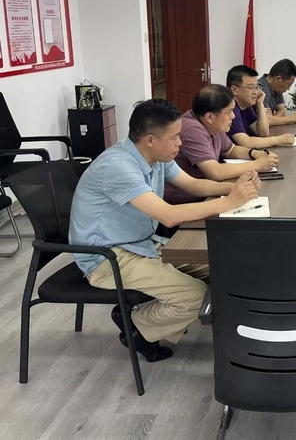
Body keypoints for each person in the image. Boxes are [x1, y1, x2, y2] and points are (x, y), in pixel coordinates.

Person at [69, 99, 260, 362]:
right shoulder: (117, 167)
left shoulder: (157, 156)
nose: (180, 143)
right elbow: (168, 216)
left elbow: (193, 185)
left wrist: (235, 188)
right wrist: (230, 202)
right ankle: (135, 324)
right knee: (194, 297)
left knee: (222, 268)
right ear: (150, 140)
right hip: (107, 258)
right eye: (174, 137)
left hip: (140, 244)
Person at [164, 85, 279, 205]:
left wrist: (254, 153)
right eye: (230, 111)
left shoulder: (214, 124)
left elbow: (231, 150)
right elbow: (215, 172)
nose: (233, 116)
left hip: (208, 191)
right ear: (210, 117)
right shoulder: (192, 129)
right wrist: (257, 165)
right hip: (187, 201)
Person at [226, 65, 296, 148]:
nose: (256, 92)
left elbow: (263, 133)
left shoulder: (246, 105)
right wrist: (279, 140)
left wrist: (260, 104)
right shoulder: (230, 108)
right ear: (234, 90)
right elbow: (246, 142)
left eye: (256, 87)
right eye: (251, 87)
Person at [258, 58, 296, 126]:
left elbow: (281, 110)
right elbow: (265, 121)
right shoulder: (261, 89)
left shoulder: (277, 88)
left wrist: (272, 119)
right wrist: (294, 118)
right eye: (288, 85)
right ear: (278, 79)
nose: (288, 88)